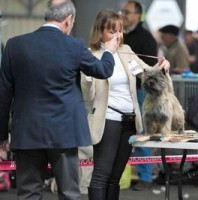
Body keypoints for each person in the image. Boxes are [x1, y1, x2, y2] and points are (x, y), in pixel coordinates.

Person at [0, 0, 118, 199]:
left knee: (28, 193)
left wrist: (2, 134)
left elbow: (3, 93)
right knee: (69, 193)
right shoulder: (74, 45)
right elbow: (103, 70)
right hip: (64, 133)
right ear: (68, 20)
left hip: (27, 132)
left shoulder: (14, 45)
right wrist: (109, 52)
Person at [81, 9, 170, 200]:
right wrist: (90, 74)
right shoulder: (90, 55)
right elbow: (87, 95)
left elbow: (145, 73)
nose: (118, 36)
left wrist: (161, 68)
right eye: (112, 32)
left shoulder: (127, 51)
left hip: (129, 120)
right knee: (101, 176)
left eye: (120, 31)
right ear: (100, 32)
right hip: (107, 120)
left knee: (115, 177)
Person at [122, 0, 157, 191]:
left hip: (141, 92)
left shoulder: (145, 38)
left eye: (126, 12)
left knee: (142, 133)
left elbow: (148, 69)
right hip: (122, 91)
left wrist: (134, 70)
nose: (123, 15)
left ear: (137, 15)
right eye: (122, 11)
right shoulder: (121, 36)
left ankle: (146, 176)